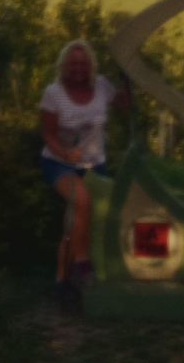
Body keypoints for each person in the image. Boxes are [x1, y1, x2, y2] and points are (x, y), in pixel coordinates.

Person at [41, 39, 127, 288]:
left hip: (94, 164)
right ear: (64, 65)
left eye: (83, 63)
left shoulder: (101, 86)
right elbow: (48, 134)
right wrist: (65, 153)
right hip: (60, 163)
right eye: (73, 63)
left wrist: (127, 79)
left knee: (73, 224)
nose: (78, 68)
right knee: (82, 200)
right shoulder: (53, 93)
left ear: (91, 65)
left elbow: (124, 105)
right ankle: (81, 265)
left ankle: (62, 281)